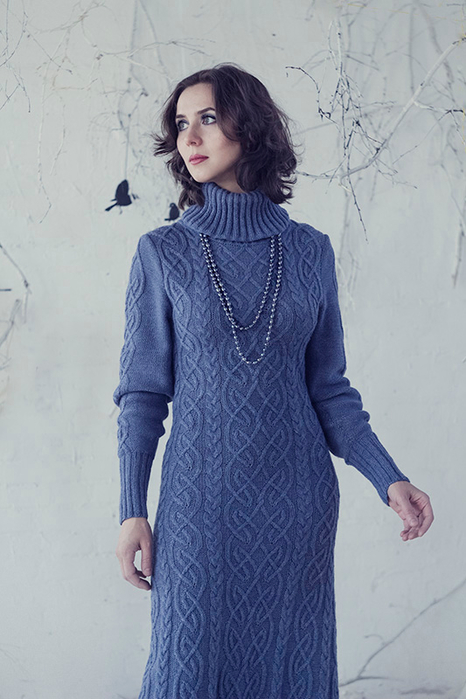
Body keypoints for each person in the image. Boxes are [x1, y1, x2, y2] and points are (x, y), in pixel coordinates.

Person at [113, 62, 434, 699]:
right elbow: (142, 396)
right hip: (198, 506)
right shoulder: (162, 253)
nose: (190, 137)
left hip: (297, 507)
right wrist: (131, 509)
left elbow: (330, 390)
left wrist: (388, 477)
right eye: (181, 123)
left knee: (291, 672)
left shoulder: (311, 251)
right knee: (187, 671)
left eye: (208, 118)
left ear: (250, 126)